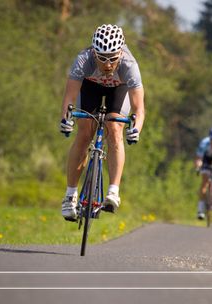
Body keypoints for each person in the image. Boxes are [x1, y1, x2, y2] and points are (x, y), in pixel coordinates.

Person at [59, 24, 145, 221]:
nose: (107, 65)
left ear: (120, 54)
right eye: (102, 58)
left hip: (118, 89)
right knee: (84, 132)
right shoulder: (83, 60)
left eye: (113, 58)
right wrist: (66, 119)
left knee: (115, 128)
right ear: (94, 53)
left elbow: (139, 108)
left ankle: (113, 191)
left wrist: (136, 129)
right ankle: (70, 196)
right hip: (90, 88)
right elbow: (69, 98)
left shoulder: (129, 65)